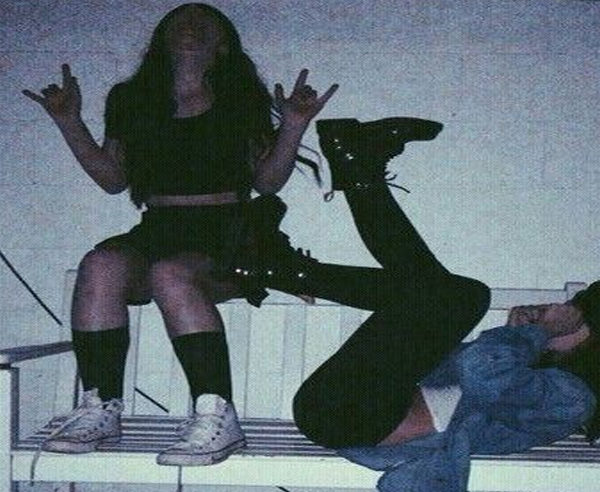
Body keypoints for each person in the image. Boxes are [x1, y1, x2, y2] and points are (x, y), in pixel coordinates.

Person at [22, 2, 337, 466]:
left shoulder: (240, 98)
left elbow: (267, 182)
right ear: (162, 39)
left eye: (203, 21)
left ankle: (217, 415)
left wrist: (293, 125)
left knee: (171, 273)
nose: (190, 25)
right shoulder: (130, 99)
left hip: (228, 229)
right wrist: (69, 121)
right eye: (179, 19)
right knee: (101, 263)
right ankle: (100, 407)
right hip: (158, 226)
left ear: (222, 44)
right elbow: (112, 179)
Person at [227, 117, 599, 491]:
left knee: (462, 297)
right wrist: (523, 337)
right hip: (352, 408)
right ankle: (333, 195)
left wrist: (535, 333)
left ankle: (292, 253)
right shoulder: (531, 363)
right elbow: (434, 355)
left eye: (572, 316)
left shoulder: (573, 399)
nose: (556, 310)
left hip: (351, 417)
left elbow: (480, 371)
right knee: (436, 292)